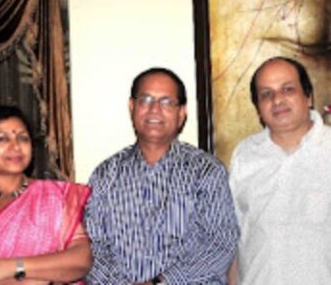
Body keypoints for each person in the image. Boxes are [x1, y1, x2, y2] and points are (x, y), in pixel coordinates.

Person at [84, 68, 239, 284]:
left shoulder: (206, 171)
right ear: (132, 107)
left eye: (166, 102)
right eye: (145, 100)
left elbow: (219, 243)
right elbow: (93, 246)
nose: (154, 109)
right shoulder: (105, 175)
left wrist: (162, 282)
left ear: (181, 113)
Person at [227, 57, 331, 285]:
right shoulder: (244, 155)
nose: (277, 100)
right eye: (266, 94)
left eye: (288, 89)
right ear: (258, 107)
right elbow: (235, 240)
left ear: (308, 97)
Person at [0, 105, 91, 284]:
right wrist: (40, 279)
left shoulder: (55, 196)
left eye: (23, 138)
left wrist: (10, 267)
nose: (15, 146)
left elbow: (80, 260)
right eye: (2, 139)